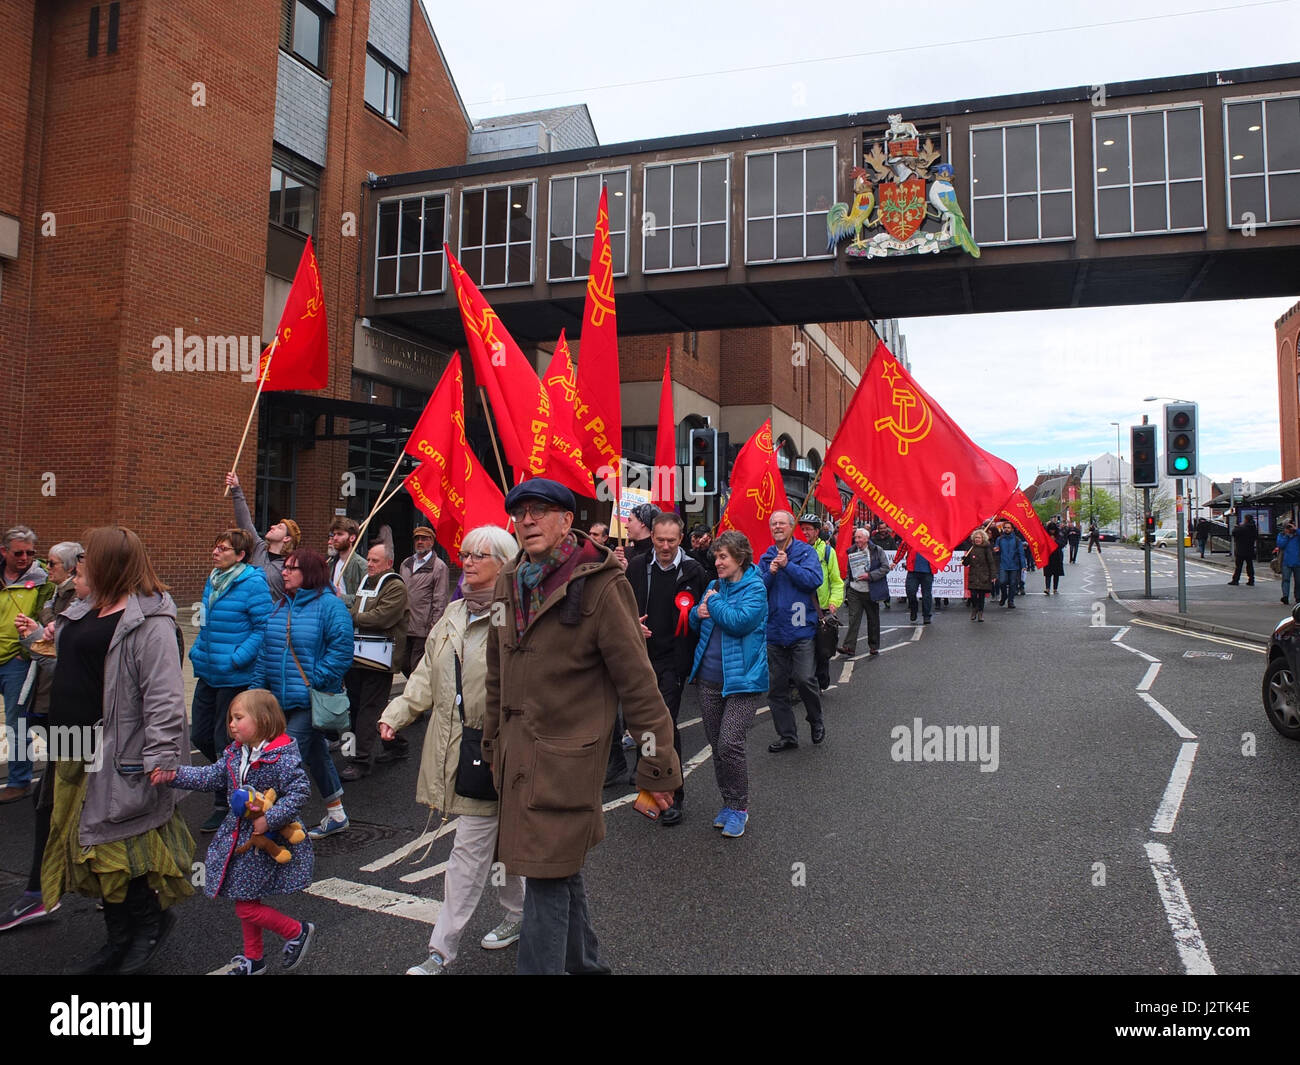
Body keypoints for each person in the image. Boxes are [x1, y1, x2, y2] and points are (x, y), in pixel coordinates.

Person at [482, 478, 681, 975]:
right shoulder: (509, 581)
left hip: (567, 763)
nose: (527, 520)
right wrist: (490, 744)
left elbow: (638, 684)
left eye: (539, 511)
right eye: (520, 512)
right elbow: (496, 672)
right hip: (517, 758)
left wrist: (656, 768)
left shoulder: (601, 583)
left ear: (567, 520)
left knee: (544, 879)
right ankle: (588, 966)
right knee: (557, 871)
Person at [41, 527, 194, 975]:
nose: (80, 562)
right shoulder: (86, 605)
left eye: (88, 555)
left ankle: (148, 926)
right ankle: (118, 938)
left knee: (119, 851)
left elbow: (165, 698)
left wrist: (162, 759)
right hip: (72, 742)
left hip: (114, 749)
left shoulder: (150, 621)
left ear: (111, 562)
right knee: (84, 844)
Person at [380, 525, 527, 974]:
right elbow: (425, 675)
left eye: (479, 555)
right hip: (465, 755)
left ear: (503, 564)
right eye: (464, 553)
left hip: (507, 755)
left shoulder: (519, 618)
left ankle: (441, 951)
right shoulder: (453, 614)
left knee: (469, 852)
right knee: (498, 843)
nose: (467, 560)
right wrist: (397, 712)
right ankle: (520, 914)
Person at [158, 689, 315, 975]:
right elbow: (211, 776)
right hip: (240, 838)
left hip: (267, 838)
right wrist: (174, 775)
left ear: (264, 719)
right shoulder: (236, 753)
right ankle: (254, 959)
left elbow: (300, 791)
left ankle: (296, 931)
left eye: (239, 717)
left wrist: (271, 818)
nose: (231, 724)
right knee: (246, 898)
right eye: (231, 717)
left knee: (245, 906)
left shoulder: (281, 757)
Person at [0, 542, 83, 931]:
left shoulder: (101, 610)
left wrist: (39, 637)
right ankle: (45, 891)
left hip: (81, 721)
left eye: (51, 563)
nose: (42, 567)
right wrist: (38, 635)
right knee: (54, 799)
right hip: (59, 709)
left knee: (63, 801)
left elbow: (64, 657)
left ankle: (135, 892)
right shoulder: (62, 598)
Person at [253, 547, 355, 840]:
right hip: (278, 700)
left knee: (283, 757)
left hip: (311, 699)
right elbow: (265, 653)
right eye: (284, 567)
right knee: (316, 755)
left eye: (291, 568)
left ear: (309, 573)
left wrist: (315, 681)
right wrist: (255, 694)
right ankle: (336, 814)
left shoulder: (330, 606)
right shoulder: (280, 606)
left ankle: (275, 821)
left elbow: (341, 653)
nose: (283, 572)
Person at [189, 528, 274, 833]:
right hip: (209, 670)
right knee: (199, 736)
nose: (216, 552)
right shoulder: (213, 580)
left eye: (223, 548)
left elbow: (263, 627)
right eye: (216, 546)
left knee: (223, 739)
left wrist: (237, 657)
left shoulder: (252, 583)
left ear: (240, 555)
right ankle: (239, 776)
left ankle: (224, 803)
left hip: (234, 674)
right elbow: (206, 623)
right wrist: (198, 650)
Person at [687, 530, 767, 838]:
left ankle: (740, 808)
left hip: (743, 680)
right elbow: (698, 621)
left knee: (729, 743)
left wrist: (715, 604)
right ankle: (728, 800)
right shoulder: (713, 586)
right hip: (708, 677)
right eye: (716, 557)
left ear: (740, 557)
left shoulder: (755, 588)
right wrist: (698, 611)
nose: (717, 562)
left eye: (723, 557)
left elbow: (740, 622)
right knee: (716, 745)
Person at [628, 512, 706, 826]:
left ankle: (674, 796)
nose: (664, 546)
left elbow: (701, 617)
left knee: (666, 725)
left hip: (673, 661)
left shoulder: (693, 570)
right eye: (659, 540)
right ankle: (648, 787)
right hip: (640, 658)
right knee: (641, 725)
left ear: (681, 539)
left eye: (671, 541)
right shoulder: (636, 567)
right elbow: (624, 606)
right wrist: (632, 625)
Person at [760, 510, 826, 751]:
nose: (777, 527)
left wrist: (788, 566)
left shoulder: (805, 552)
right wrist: (771, 573)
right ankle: (787, 735)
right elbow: (758, 589)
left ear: (791, 527)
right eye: (774, 524)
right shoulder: (767, 556)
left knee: (804, 679)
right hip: (775, 631)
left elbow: (813, 580)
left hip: (801, 630)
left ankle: (815, 719)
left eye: (782, 523)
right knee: (776, 688)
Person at [342, 543, 408, 780]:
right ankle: (396, 744)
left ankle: (360, 761)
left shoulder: (395, 586)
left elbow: (381, 618)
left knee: (368, 710)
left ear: (388, 563)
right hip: (357, 656)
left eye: (375, 561)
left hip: (379, 659)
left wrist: (349, 615)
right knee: (360, 708)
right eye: (368, 559)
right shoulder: (365, 583)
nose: (369, 564)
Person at [0, 526, 54, 804]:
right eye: (18, 552)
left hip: (16, 661)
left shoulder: (43, 580)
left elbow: (49, 616)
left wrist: (27, 651)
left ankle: (19, 780)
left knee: (15, 722)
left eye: (30, 553)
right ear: (4, 552)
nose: (25, 558)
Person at [224, 471, 301, 603]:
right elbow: (245, 521)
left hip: (274, 618)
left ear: (287, 538)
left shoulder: (290, 565)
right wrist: (236, 489)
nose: (272, 526)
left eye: (279, 527)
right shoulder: (259, 548)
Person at [798, 513, 844, 689]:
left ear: (817, 531)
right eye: (802, 529)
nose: (805, 532)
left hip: (821, 609)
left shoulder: (826, 551)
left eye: (808, 529)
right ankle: (801, 682)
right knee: (801, 646)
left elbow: (836, 581)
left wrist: (834, 602)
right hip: (800, 608)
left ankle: (821, 679)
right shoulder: (794, 549)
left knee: (822, 648)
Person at [399, 526, 449, 677]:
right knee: (403, 663)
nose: (420, 542)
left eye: (424, 539)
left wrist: (434, 627)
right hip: (405, 625)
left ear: (432, 542)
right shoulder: (406, 564)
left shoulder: (439, 567)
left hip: (423, 628)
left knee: (417, 667)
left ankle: (417, 697)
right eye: (417, 538)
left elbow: (440, 599)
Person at [839, 527, 888, 655]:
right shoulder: (851, 550)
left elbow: (885, 567)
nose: (857, 540)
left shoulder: (877, 550)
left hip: (870, 591)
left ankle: (873, 646)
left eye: (859, 537)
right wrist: (848, 585)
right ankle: (849, 646)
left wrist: (870, 576)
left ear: (867, 539)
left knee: (873, 619)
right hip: (855, 590)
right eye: (855, 537)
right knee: (853, 618)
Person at [327, 517, 366, 607]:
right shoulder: (331, 563)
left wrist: (341, 597)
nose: (335, 538)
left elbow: (366, 599)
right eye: (334, 534)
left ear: (352, 538)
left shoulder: (361, 565)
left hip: (349, 615)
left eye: (340, 534)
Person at [894, 541, 935, 624]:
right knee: (910, 592)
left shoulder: (933, 537)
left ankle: (927, 615)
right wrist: (895, 561)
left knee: (926, 595)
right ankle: (913, 608)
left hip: (928, 571)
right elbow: (902, 549)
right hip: (913, 570)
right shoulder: (911, 535)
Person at [962, 528, 997, 621]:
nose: (977, 539)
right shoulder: (971, 549)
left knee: (981, 596)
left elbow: (991, 562)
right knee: (973, 595)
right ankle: (975, 608)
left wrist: (993, 575)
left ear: (983, 539)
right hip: (973, 575)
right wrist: (964, 559)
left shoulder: (986, 549)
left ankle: (980, 613)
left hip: (984, 576)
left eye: (979, 538)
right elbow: (966, 563)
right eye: (976, 538)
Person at [614, 502, 659, 570]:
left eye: (630, 520)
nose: (626, 526)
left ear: (642, 523)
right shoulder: (624, 553)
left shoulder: (658, 555)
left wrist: (627, 572)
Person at [993, 522, 1026, 609]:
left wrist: (1023, 565)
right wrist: (996, 550)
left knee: (1013, 583)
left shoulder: (1017, 540)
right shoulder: (999, 539)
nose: (1007, 529)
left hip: (1014, 565)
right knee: (1002, 581)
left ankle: (1011, 601)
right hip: (1003, 564)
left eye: (1008, 527)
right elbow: (997, 550)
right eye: (1005, 527)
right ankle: (1004, 596)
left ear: (1012, 529)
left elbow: (1021, 553)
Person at [1229, 515, 1258, 586]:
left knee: (1238, 566)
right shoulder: (1253, 527)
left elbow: (1234, 533)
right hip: (1250, 549)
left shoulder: (1241, 528)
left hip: (1241, 549)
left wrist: (1237, 526)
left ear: (1246, 520)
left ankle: (1235, 580)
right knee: (1250, 565)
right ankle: (1251, 580)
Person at [1277, 521, 1300, 604]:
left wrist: (1296, 529)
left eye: (1291, 526)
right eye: (1288, 527)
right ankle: (1285, 596)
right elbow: (1280, 545)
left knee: (1298, 581)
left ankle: (1298, 597)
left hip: (1297, 561)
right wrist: (1286, 536)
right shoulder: (1282, 535)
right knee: (1286, 580)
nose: (1289, 528)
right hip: (1286, 562)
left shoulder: (1297, 535)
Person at [1042, 521, 1066, 595]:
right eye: (1051, 530)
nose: (1052, 531)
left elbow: (1062, 544)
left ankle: (1055, 589)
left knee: (1056, 573)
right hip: (1048, 556)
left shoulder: (1059, 535)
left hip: (1057, 556)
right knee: (1047, 574)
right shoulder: (1045, 535)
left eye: (1053, 530)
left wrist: (1055, 541)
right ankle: (1047, 588)